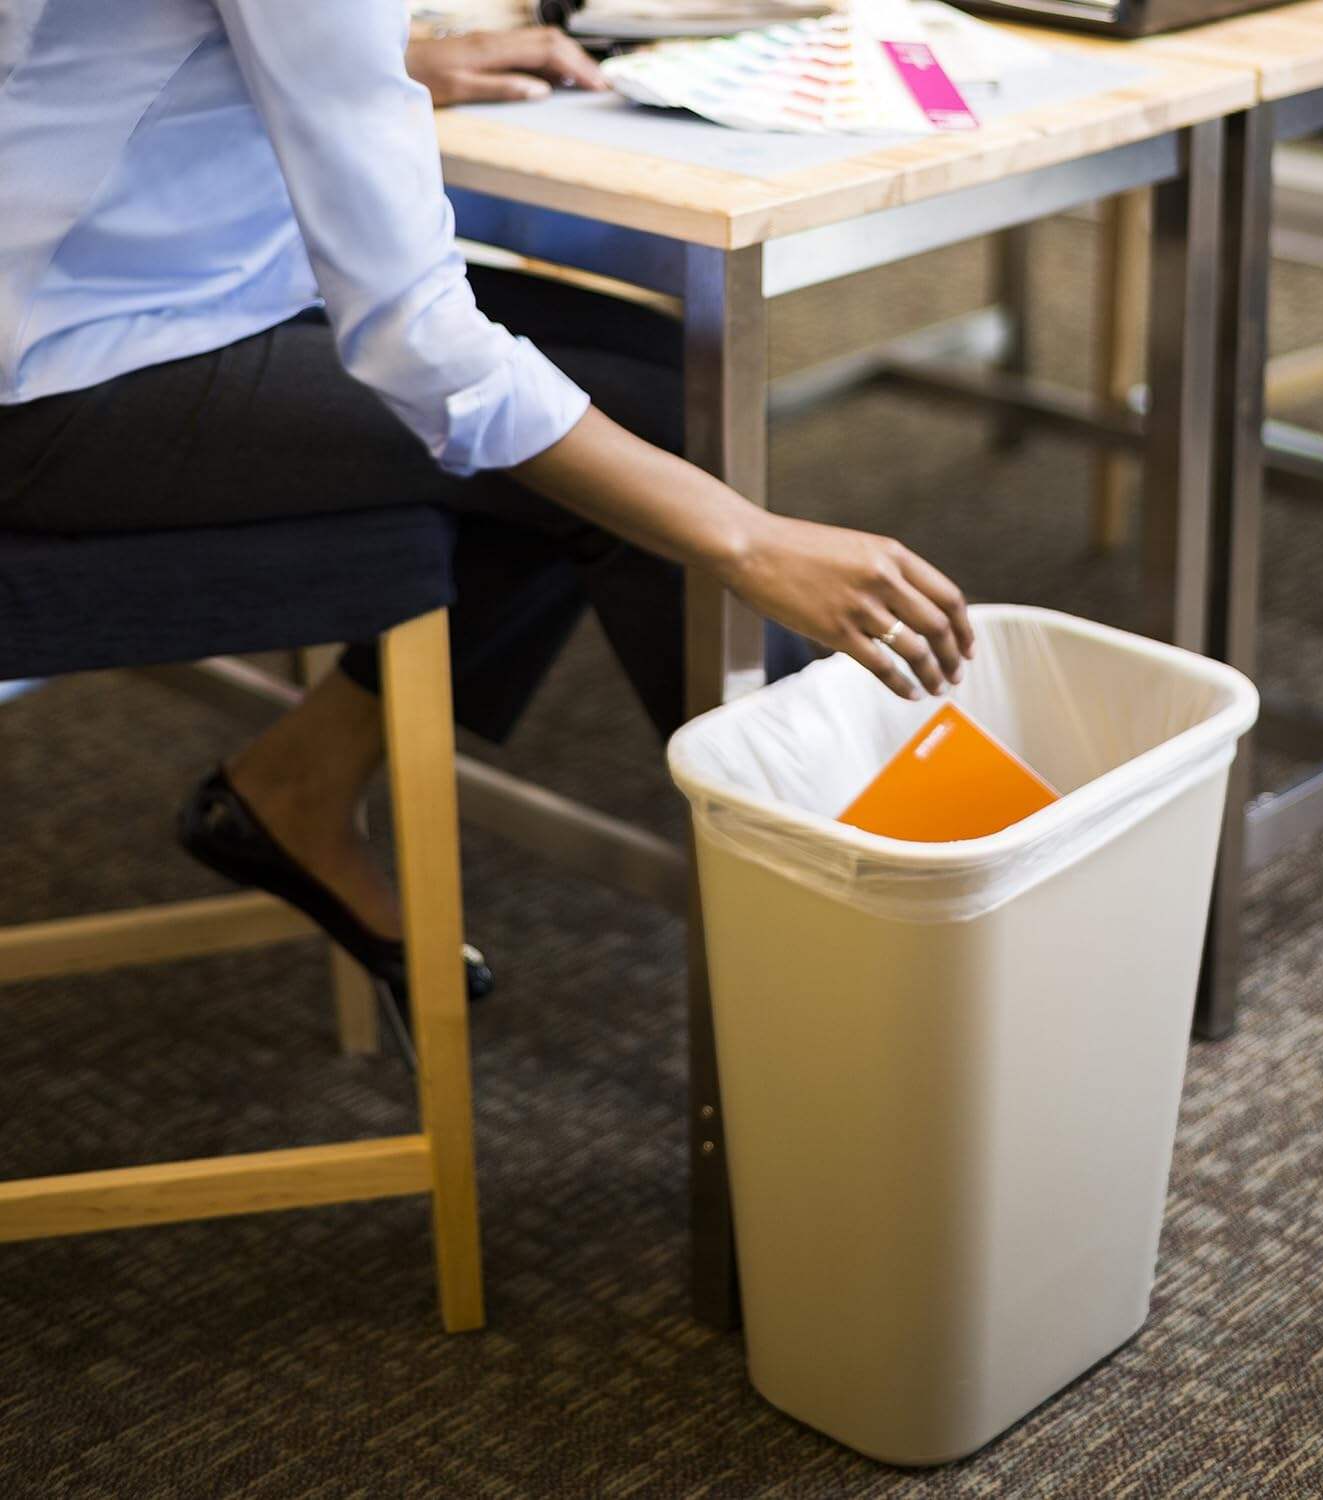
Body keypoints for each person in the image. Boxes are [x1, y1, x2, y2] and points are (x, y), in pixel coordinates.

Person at [0, 3, 973, 1003]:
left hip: (164, 288)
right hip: (62, 382)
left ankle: (303, 779)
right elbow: (418, 345)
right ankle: (869, 944)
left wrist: (379, 61)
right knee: (634, 444)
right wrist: (748, 541)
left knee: (652, 388)